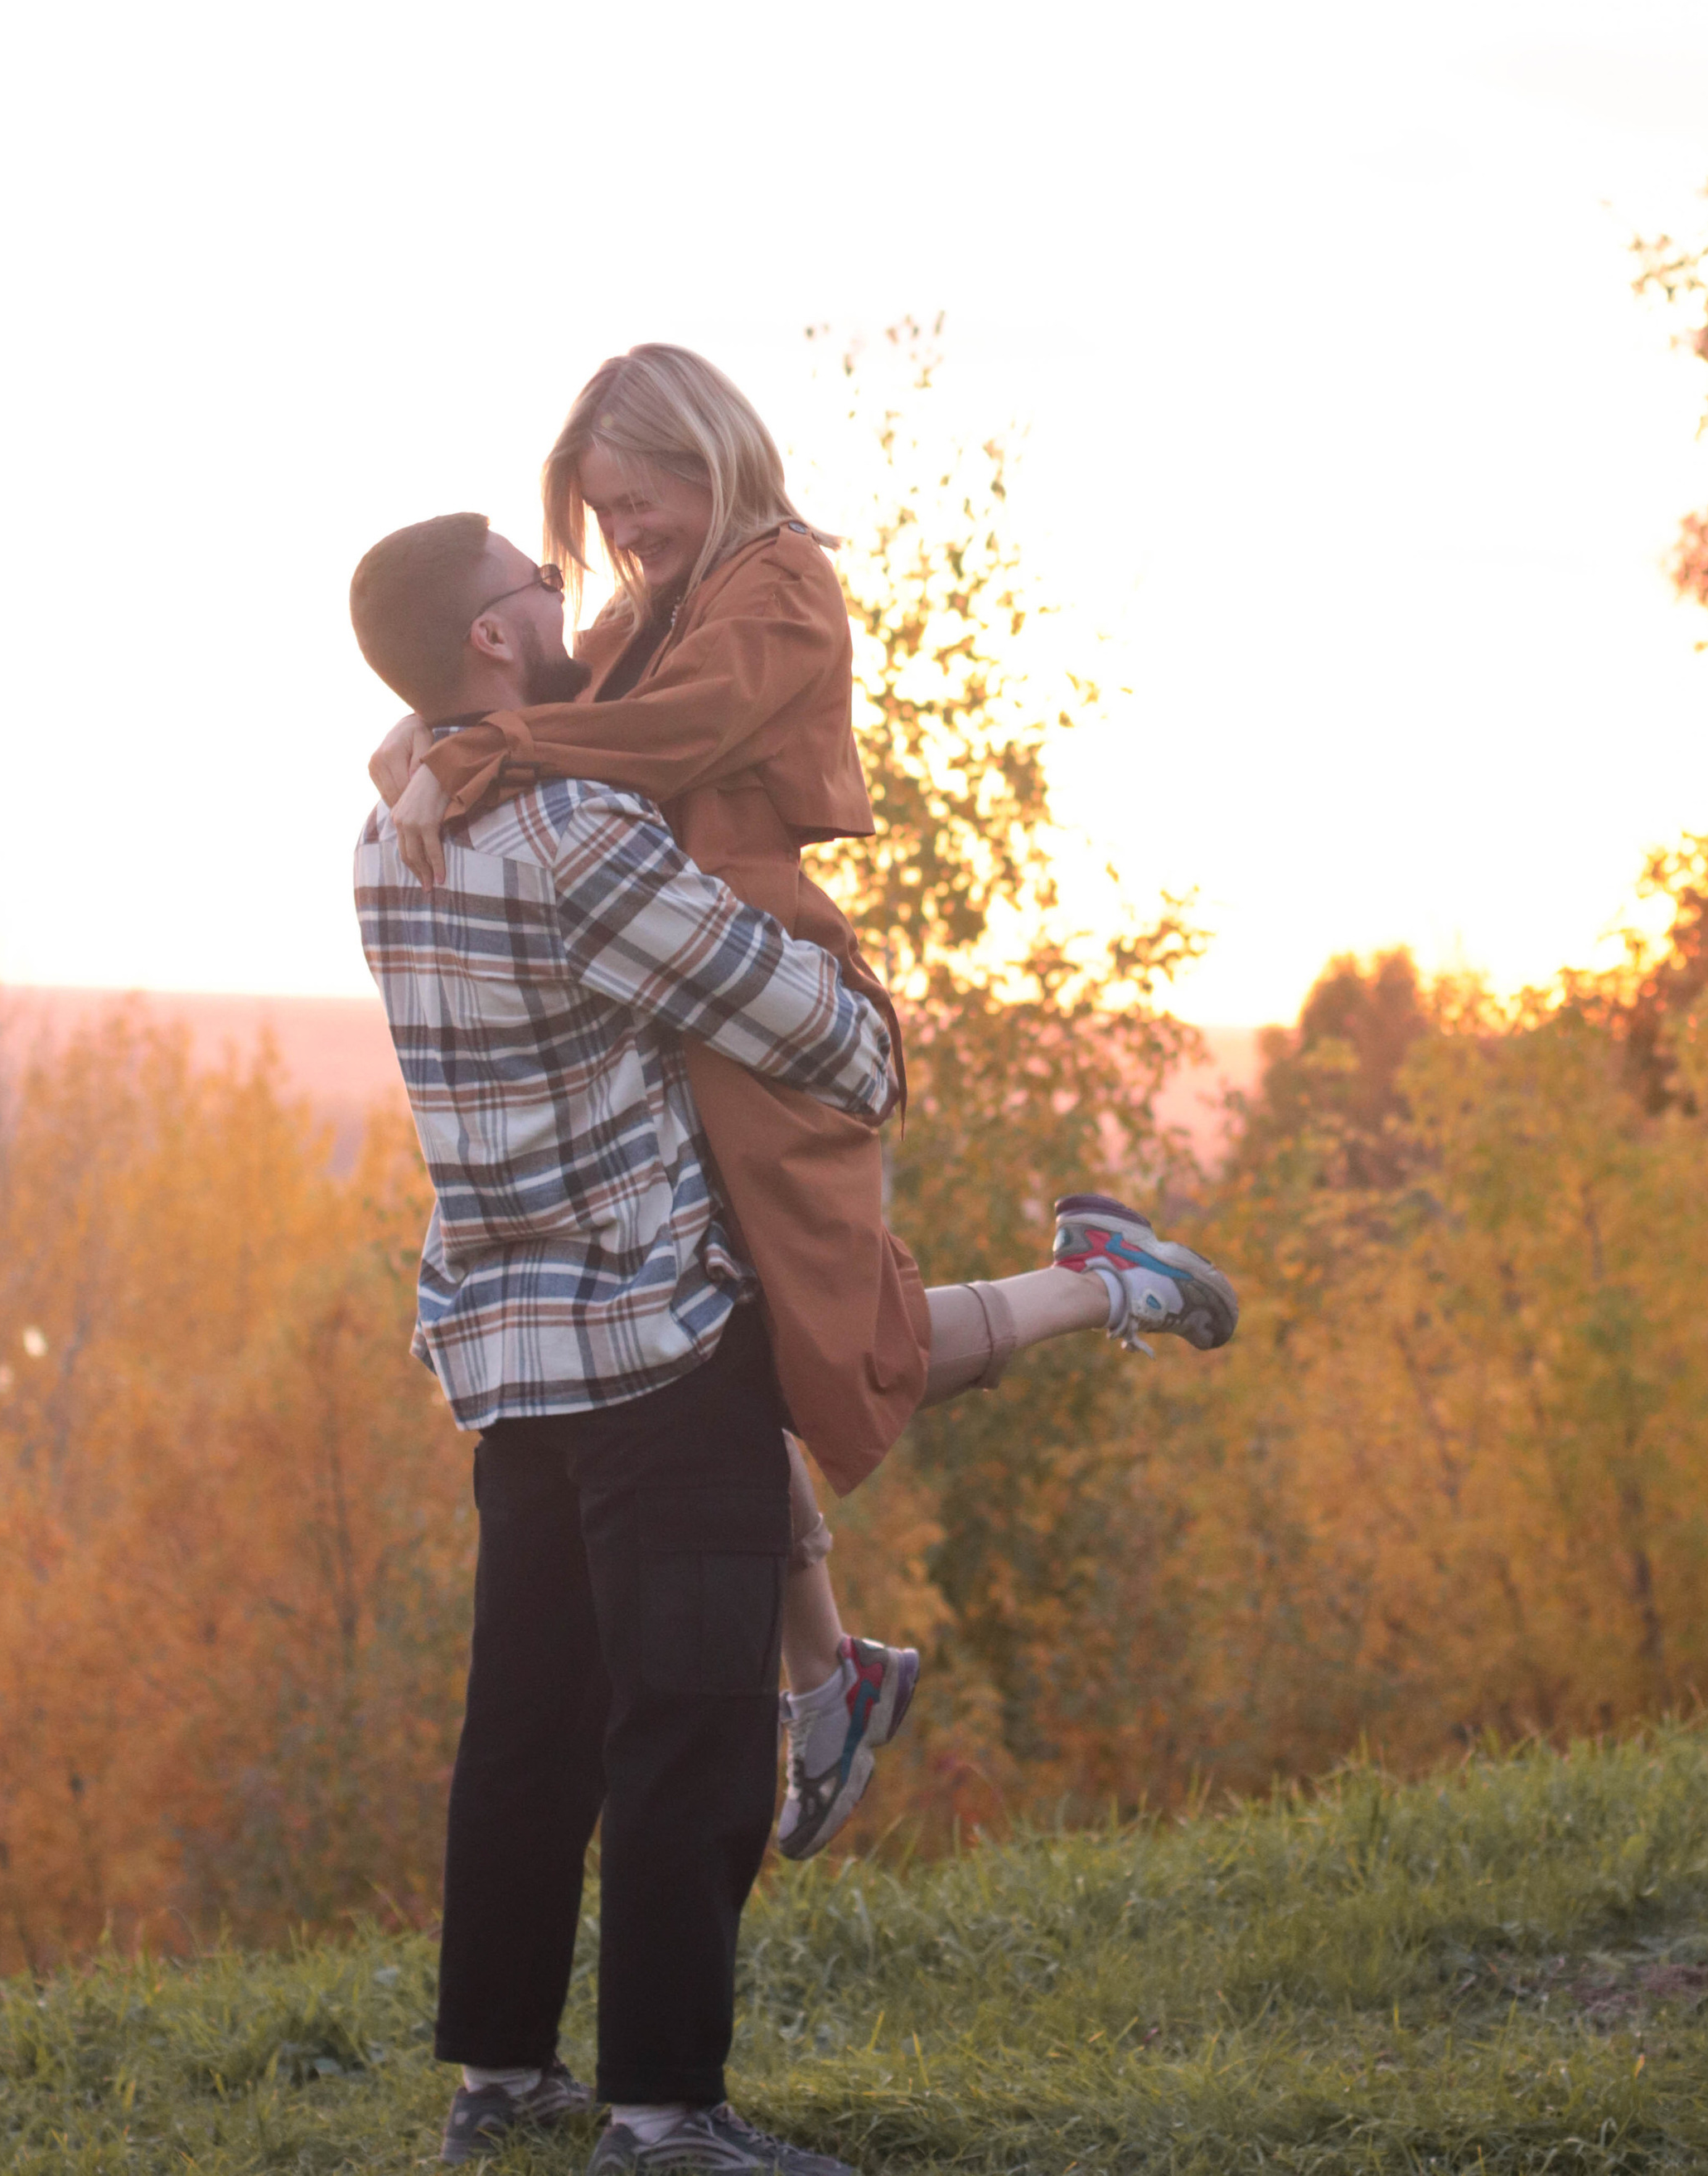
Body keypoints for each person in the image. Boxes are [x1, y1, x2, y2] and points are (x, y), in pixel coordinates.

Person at [370, 349, 1238, 1861]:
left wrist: (484, 742)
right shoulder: (655, 601)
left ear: (705, 456)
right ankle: (830, 1671)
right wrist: (421, 729)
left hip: (761, 986)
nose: (622, 537)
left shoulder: (778, 587)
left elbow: (668, 739)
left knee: (830, 1341)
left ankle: (1096, 1285)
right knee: (721, 1343)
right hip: (678, 996)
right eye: (601, 516)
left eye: (638, 500)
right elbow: (550, 691)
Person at [351, 512, 891, 2173]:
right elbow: (801, 1026)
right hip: (655, 1346)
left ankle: (501, 2078)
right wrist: (860, 1013)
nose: (559, 590)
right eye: (535, 581)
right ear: (491, 640)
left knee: (526, 1724)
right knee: (691, 1728)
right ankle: (663, 2117)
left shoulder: (387, 836)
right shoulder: (575, 832)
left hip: (507, 1355)